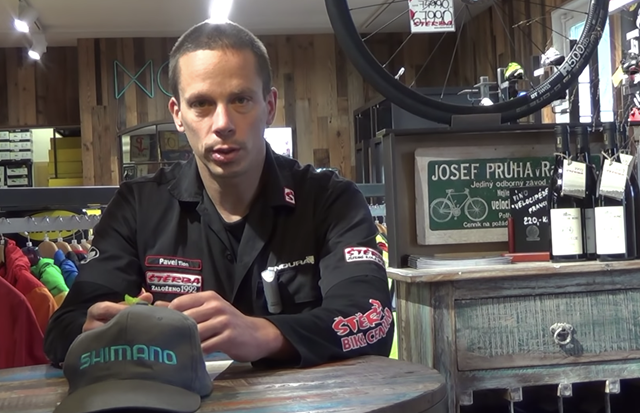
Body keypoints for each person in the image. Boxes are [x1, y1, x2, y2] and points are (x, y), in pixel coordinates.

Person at [44, 20, 394, 369]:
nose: (223, 123)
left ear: (270, 106)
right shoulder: (138, 206)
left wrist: (264, 334)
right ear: (178, 114)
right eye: (201, 103)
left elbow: (373, 320)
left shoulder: (331, 200)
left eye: (241, 100)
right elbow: (63, 330)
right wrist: (98, 332)